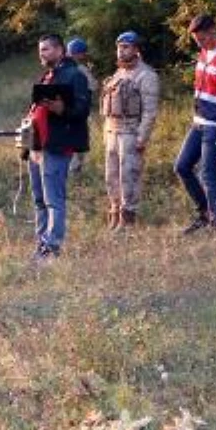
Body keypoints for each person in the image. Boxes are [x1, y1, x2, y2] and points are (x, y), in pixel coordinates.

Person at [24, 35, 91, 259]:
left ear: (60, 50)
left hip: (57, 145)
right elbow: (36, 110)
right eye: (40, 50)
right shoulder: (47, 76)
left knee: (54, 199)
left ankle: (52, 247)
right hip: (38, 146)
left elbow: (82, 111)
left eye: (46, 49)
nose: (41, 54)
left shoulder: (75, 75)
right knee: (39, 200)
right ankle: (41, 244)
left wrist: (62, 109)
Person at [175, 15, 216, 234]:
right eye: (196, 41)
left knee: (208, 171)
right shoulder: (204, 53)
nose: (200, 44)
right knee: (182, 166)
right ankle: (204, 212)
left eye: (202, 39)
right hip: (200, 123)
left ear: (213, 30)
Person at [100, 31, 160, 228]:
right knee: (111, 177)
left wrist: (142, 138)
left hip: (130, 132)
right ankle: (114, 213)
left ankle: (128, 220)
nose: (121, 51)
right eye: (119, 47)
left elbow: (150, 112)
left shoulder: (146, 75)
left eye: (126, 47)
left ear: (136, 49)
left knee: (129, 176)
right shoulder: (118, 74)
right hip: (111, 132)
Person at [67, 38, 98, 174]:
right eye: (83, 53)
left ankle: (71, 169)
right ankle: (74, 170)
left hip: (63, 111)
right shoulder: (80, 69)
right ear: (79, 54)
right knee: (77, 141)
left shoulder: (59, 67)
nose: (85, 56)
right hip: (78, 111)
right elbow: (93, 86)